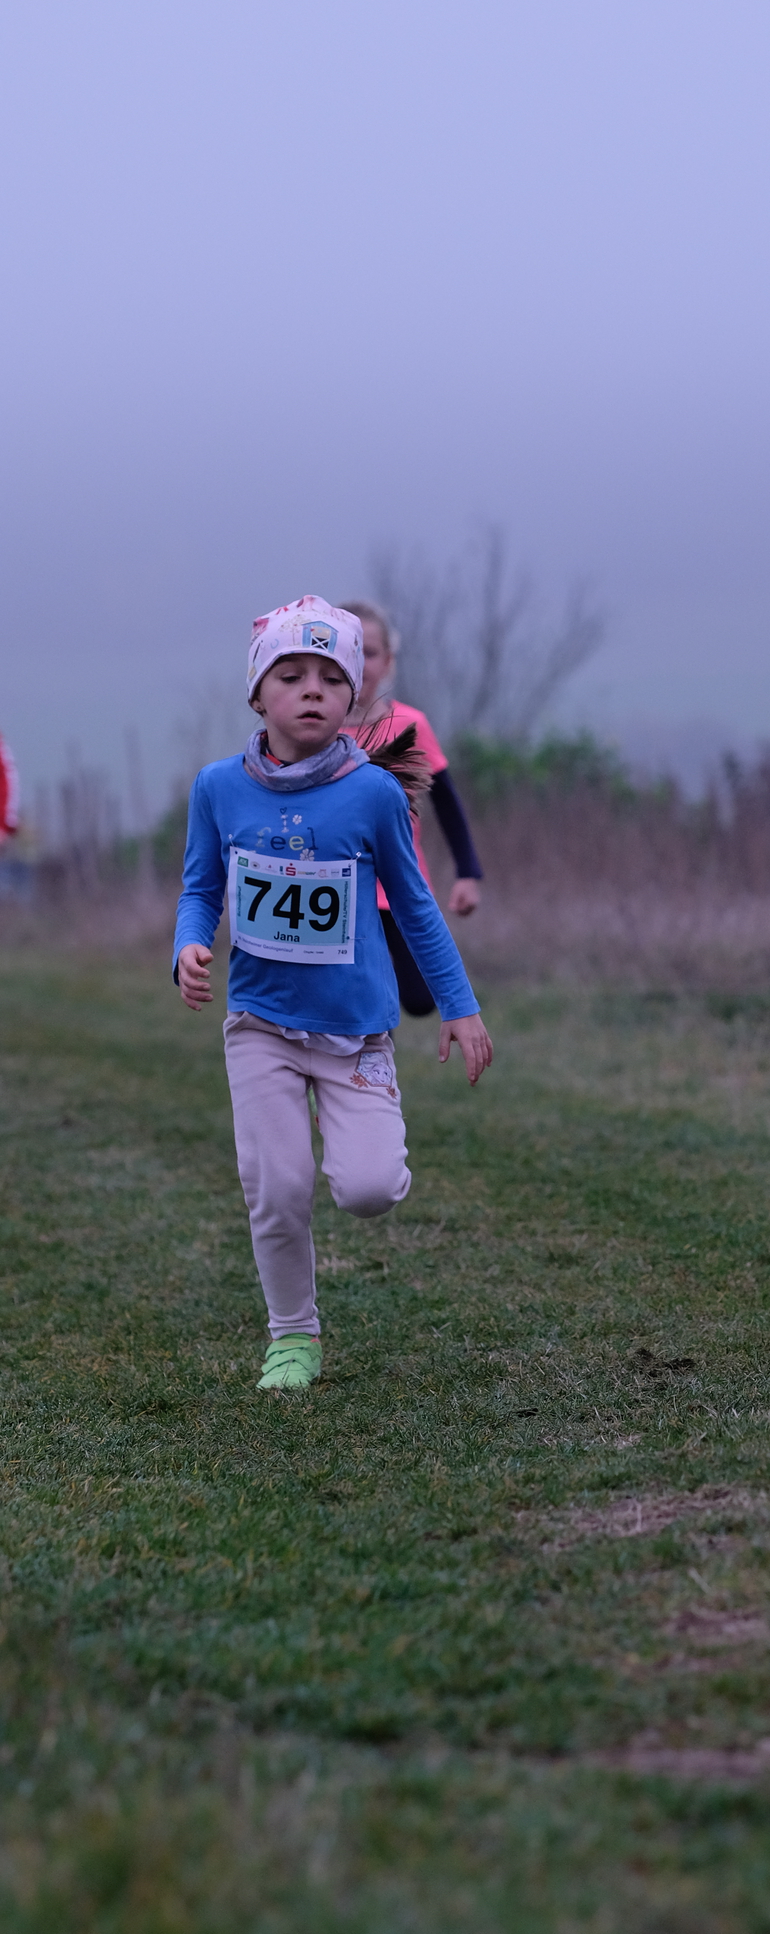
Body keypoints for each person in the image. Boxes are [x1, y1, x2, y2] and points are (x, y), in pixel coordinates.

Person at [173, 596, 493, 1391]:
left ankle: (362, 1115)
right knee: (278, 1188)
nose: (311, 689)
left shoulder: (375, 794)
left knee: (369, 1189)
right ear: (258, 693)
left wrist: (459, 1004)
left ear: (353, 695)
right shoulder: (217, 788)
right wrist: (187, 944)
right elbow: (200, 888)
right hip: (261, 1025)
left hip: (354, 1030)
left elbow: (415, 906)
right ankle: (293, 1336)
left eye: (330, 677)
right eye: (291, 675)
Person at [338, 598, 485, 1018]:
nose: (359, 664)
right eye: (348, 652)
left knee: (420, 999)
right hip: (335, 886)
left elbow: (446, 801)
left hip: (399, 883)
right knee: (357, 998)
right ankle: (369, 1057)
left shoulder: (410, 725)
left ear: (388, 661)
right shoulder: (313, 732)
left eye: (369, 653)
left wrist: (468, 873)